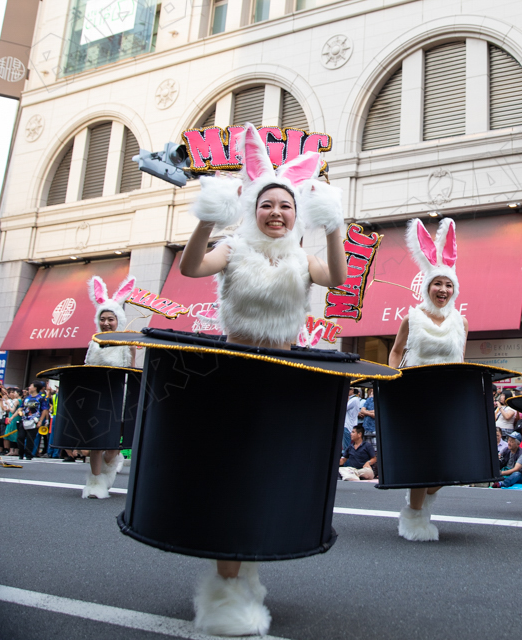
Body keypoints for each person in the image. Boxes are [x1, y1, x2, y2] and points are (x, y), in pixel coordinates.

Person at [179, 124, 346, 636]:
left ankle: (242, 570)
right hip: (233, 376)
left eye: (286, 206)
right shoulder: (232, 248)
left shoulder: (302, 256)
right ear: (253, 208)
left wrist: (334, 225)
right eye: (267, 204)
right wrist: (207, 219)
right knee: (234, 477)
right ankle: (224, 593)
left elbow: (338, 278)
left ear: (298, 214)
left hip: (284, 380)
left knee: (267, 479)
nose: (276, 212)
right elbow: (190, 268)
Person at [387, 218, 467, 542]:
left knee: (451, 462)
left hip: (449, 399)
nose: (443, 290)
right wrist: (396, 380)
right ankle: (415, 516)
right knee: (423, 456)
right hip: (417, 396)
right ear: (427, 286)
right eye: (438, 284)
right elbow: (394, 352)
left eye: (448, 285)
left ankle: (418, 500)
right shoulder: (412, 317)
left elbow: (462, 359)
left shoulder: (461, 321)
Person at [78, 275, 138, 498]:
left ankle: (109, 465)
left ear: (118, 320)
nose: (106, 322)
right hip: (97, 396)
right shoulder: (94, 342)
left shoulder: (125, 343)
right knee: (96, 442)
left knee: (113, 447)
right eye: (102, 318)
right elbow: (86, 367)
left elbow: (130, 373)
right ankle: (94, 483)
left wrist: (132, 353)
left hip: (118, 398)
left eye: (110, 319)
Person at [342, 388, 361, 456]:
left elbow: (343, 407)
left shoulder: (354, 399)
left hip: (348, 425)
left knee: (346, 448)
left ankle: (347, 464)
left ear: (352, 390)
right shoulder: (355, 399)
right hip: (350, 424)